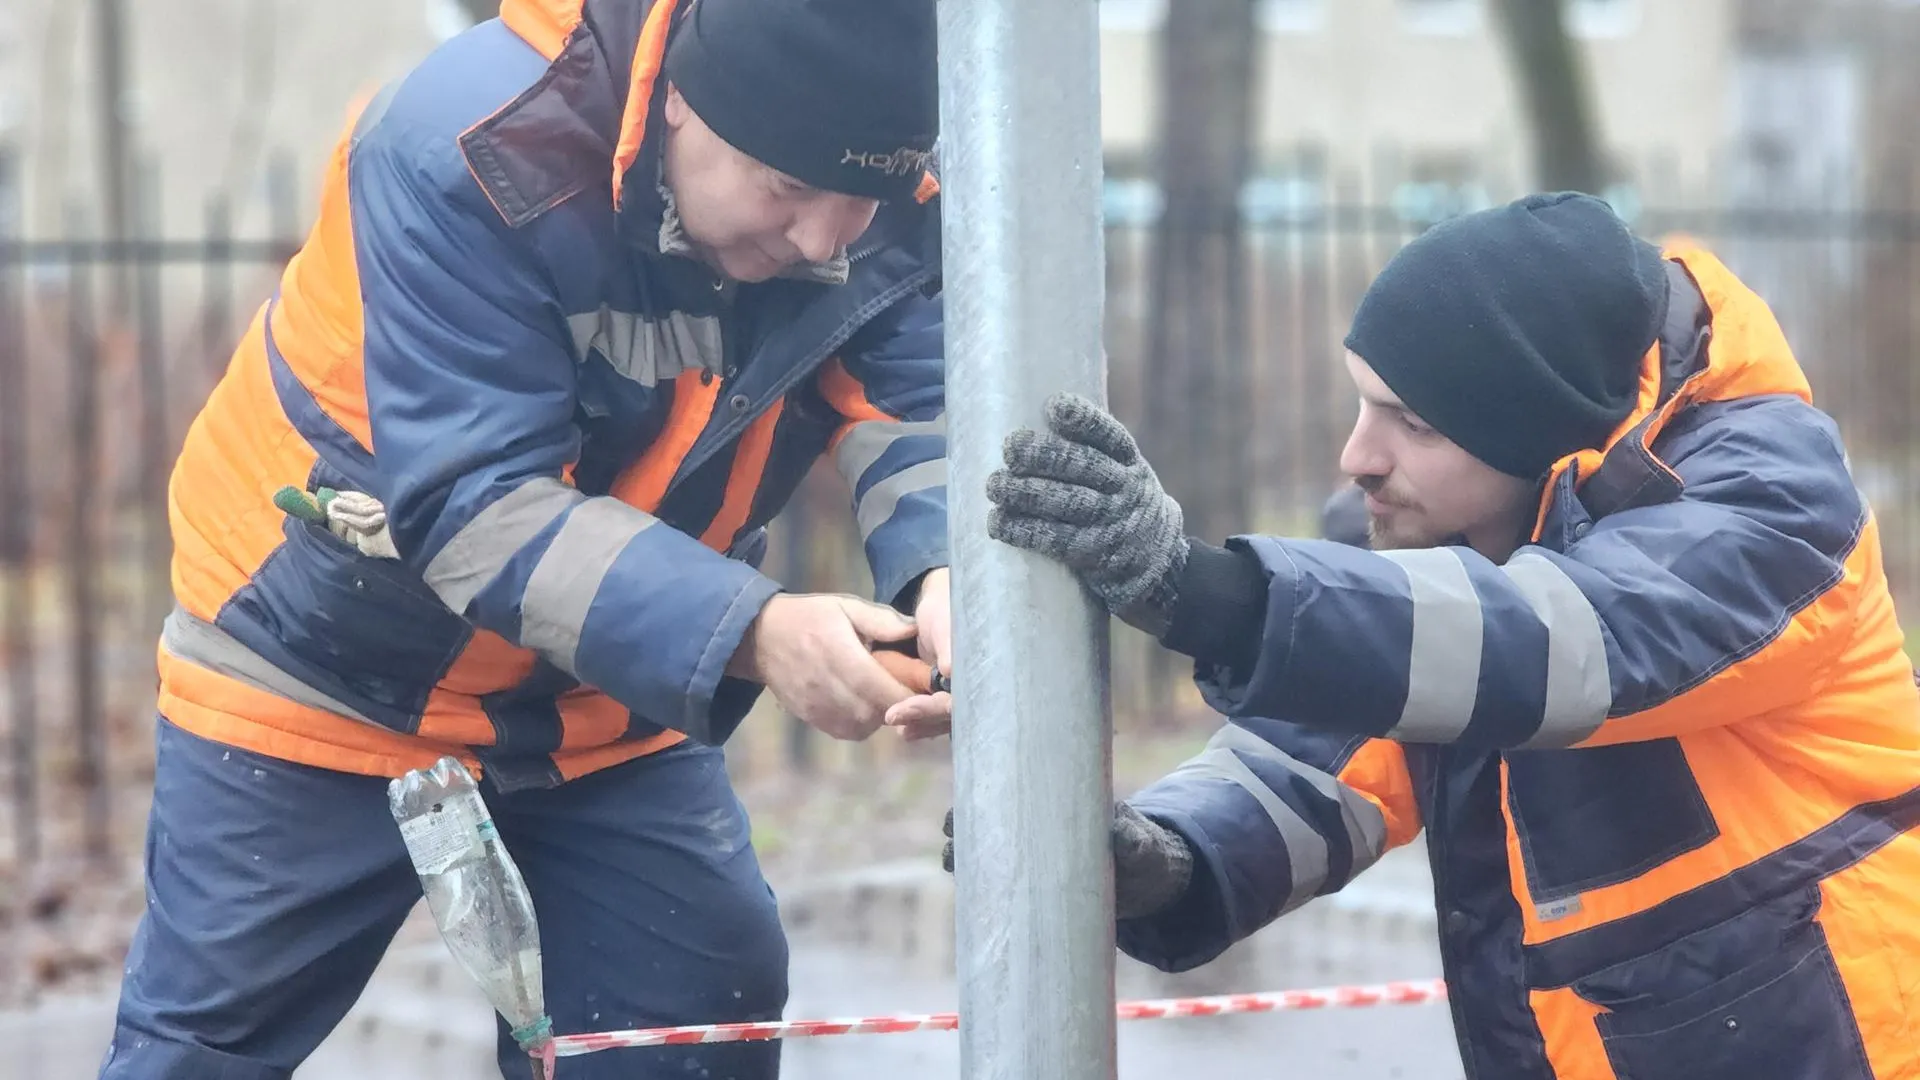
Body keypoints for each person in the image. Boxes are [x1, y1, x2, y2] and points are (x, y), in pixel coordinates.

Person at [103, 1, 952, 1078]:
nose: (826, 239)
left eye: (860, 198)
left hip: (598, 698)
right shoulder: (472, 149)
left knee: (690, 1016)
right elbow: (478, 506)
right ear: (679, 99)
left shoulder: (886, 203)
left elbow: (916, 410)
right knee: (204, 1051)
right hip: (317, 660)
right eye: (787, 188)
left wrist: (944, 571)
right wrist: (756, 632)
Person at [972, 193, 1920, 1078]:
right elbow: (1329, 752)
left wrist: (1206, 594)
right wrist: (1174, 857)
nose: (1357, 458)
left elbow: (1567, 645)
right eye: (1361, 402)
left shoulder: (1770, 503)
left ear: (1541, 440)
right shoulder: (1445, 540)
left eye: (1412, 424)